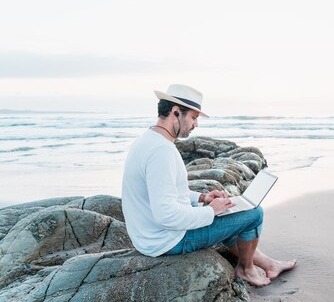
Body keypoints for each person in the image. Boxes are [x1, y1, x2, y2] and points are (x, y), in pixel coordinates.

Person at [122, 84, 296, 286]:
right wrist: (211, 212)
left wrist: (202, 199)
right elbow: (166, 214)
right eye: (194, 117)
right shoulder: (162, 151)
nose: (196, 124)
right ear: (176, 112)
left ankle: (268, 264)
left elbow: (169, 193)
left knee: (230, 213)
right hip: (165, 241)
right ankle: (247, 270)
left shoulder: (148, 140)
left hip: (149, 236)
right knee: (254, 214)